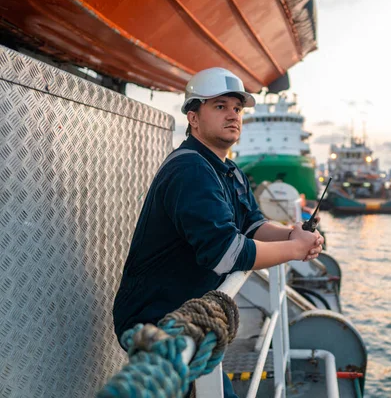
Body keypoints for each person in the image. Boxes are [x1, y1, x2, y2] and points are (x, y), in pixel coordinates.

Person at [112, 67, 323, 397]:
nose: (233, 116)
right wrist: (295, 251)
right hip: (161, 322)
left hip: (187, 313)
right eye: (220, 106)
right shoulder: (190, 169)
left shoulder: (228, 170)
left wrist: (292, 235)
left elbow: (252, 225)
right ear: (193, 118)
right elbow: (226, 253)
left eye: (237, 109)